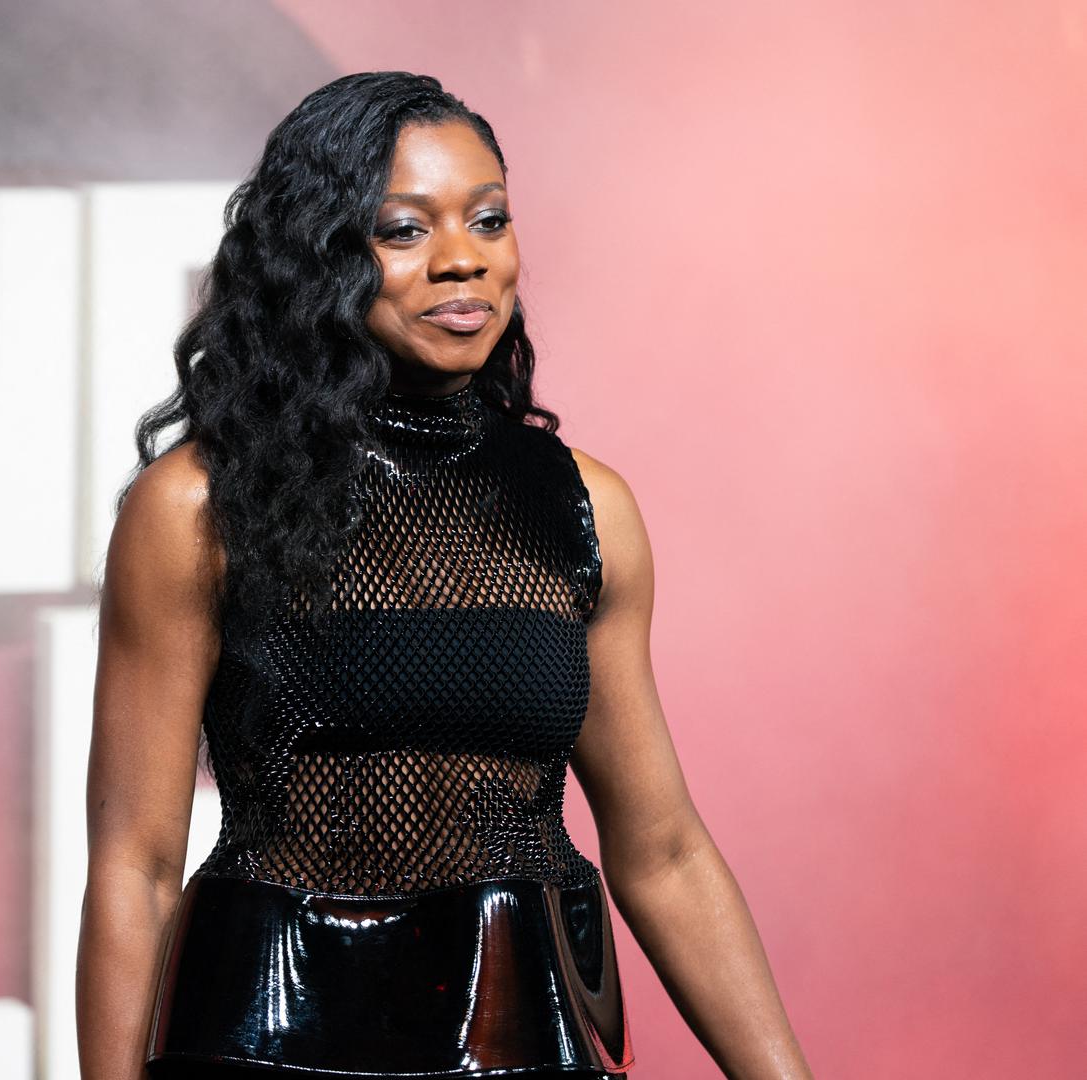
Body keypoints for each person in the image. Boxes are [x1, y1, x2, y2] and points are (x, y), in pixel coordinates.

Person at [77, 71, 814, 1079]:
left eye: (489, 218)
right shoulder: (197, 510)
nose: (463, 259)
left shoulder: (584, 509)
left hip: (529, 1032)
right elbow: (136, 865)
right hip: (263, 1043)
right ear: (319, 258)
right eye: (404, 230)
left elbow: (665, 852)